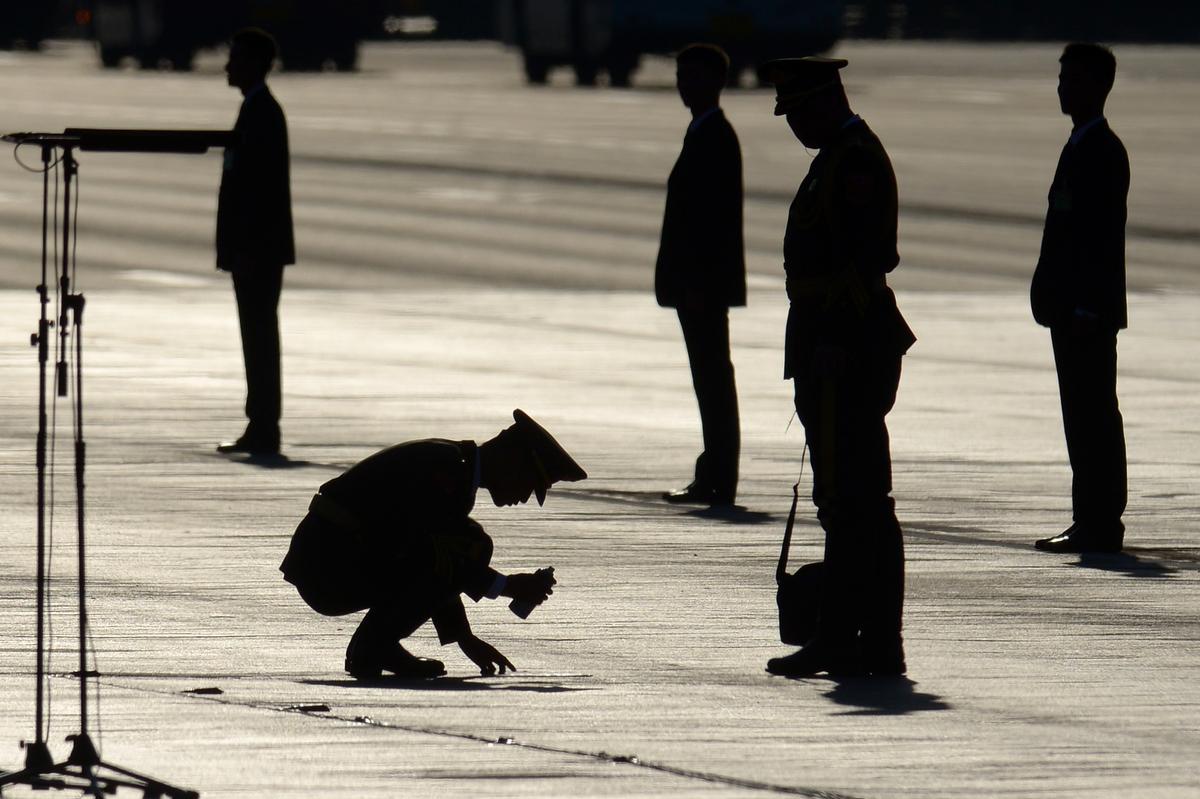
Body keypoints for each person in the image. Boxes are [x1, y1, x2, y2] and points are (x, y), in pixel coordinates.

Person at [758, 57, 915, 678]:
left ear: (825, 100)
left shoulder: (853, 160)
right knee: (847, 501)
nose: (793, 124)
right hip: (831, 346)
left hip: (843, 350)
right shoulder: (838, 156)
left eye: (797, 111)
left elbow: (865, 258)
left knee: (858, 502)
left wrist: (834, 342)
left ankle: (859, 640)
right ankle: (857, 638)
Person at [279, 410, 587, 679]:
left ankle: (377, 646)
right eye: (531, 483)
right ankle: (373, 648)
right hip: (328, 569)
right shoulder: (446, 471)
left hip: (333, 558)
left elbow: (434, 560)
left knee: (468, 544)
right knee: (470, 545)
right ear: (512, 461)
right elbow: (425, 555)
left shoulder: (454, 467)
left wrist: (464, 637)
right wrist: (506, 586)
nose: (525, 497)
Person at [1031, 43, 1129, 554]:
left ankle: (1101, 520)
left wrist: (1090, 306)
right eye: (1061, 78)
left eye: (1071, 79)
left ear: (1097, 86)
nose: (1062, 87)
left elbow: (1101, 240)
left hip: (1086, 312)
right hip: (1070, 310)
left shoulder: (1102, 151)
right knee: (1081, 414)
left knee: (1094, 415)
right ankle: (1087, 516)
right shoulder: (1079, 144)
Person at [656, 43, 746, 508]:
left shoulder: (714, 136)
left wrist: (696, 284)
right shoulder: (704, 132)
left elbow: (711, 223)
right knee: (709, 378)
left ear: (714, 83)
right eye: (680, 76)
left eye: (691, 77)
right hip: (700, 285)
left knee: (712, 379)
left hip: (702, 287)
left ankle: (718, 476)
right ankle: (713, 471)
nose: (683, 86)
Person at [216, 27, 295, 457]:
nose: (227, 66)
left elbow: (257, 190)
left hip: (258, 249)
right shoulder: (257, 109)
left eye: (235, 58)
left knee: (260, 336)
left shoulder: (262, 111)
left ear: (253, 64)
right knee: (257, 336)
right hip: (255, 247)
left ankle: (264, 426)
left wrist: (243, 248)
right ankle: (260, 423)